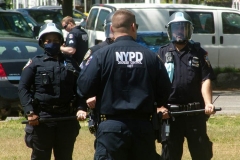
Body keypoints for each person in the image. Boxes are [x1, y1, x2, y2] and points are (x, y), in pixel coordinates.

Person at [77, 9, 171, 160]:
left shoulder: (101, 55)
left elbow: (83, 86)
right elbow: (165, 91)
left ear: (112, 29)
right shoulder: (150, 56)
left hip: (110, 128)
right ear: (133, 26)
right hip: (143, 127)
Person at [18, 22, 87, 160]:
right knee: (40, 156)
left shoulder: (70, 63)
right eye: (48, 41)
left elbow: (81, 87)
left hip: (66, 118)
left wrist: (81, 107)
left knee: (65, 156)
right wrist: (30, 112)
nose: (52, 43)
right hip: (43, 118)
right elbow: (23, 87)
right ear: (42, 42)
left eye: (56, 40)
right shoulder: (35, 63)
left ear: (61, 42)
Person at [157, 11, 216, 160]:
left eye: (183, 28)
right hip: (171, 115)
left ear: (189, 30)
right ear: (170, 31)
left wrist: (208, 103)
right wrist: (159, 107)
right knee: (170, 155)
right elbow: (154, 83)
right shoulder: (162, 53)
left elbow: (206, 80)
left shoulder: (199, 53)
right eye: (176, 28)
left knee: (201, 153)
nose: (179, 32)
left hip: (195, 114)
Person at [80, 12, 115, 114]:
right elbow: (83, 78)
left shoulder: (132, 50)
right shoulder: (96, 51)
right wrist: (91, 96)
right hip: (101, 106)